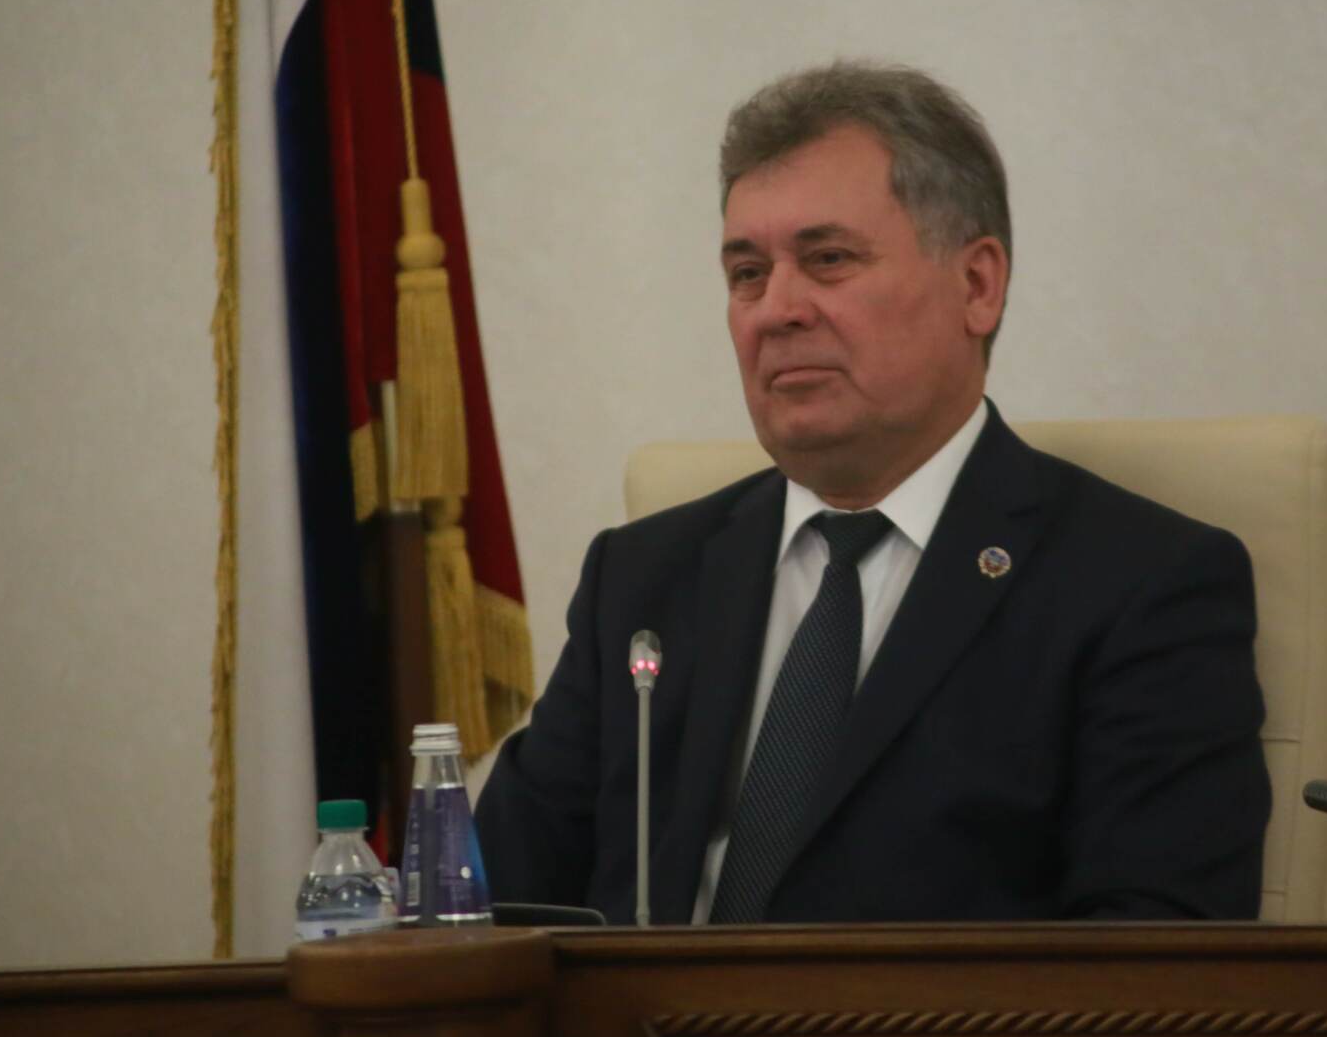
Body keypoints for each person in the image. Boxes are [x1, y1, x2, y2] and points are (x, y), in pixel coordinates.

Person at [474, 62, 1269, 923]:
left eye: (828, 260)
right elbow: (484, 909)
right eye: (747, 273)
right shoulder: (641, 578)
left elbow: (1152, 960)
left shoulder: (1139, 585)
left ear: (977, 285)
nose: (776, 309)